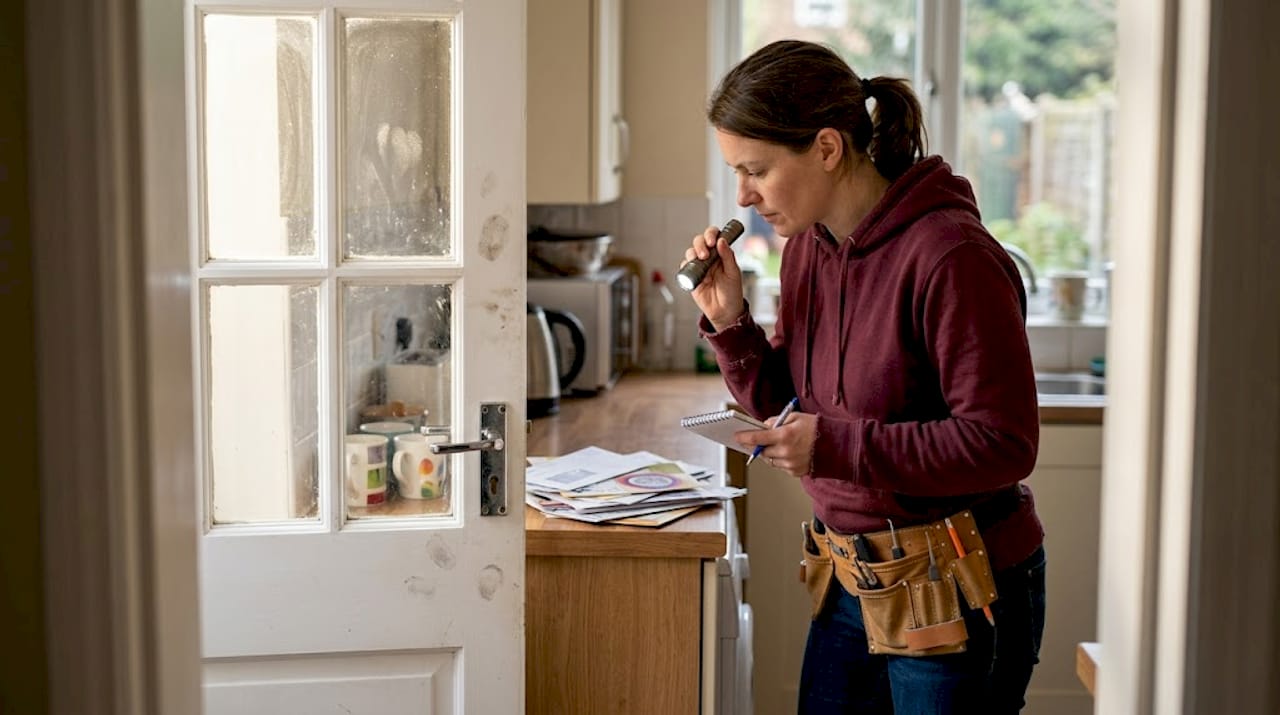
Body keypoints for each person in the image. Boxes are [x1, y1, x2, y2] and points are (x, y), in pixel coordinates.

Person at [684, 40, 1046, 713]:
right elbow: (789, 408)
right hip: (852, 576)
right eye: (736, 171)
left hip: (958, 584)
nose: (743, 195)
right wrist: (731, 324)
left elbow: (1004, 442)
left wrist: (834, 445)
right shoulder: (807, 252)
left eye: (756, 169)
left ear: (826, 148)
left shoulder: (951, 257)